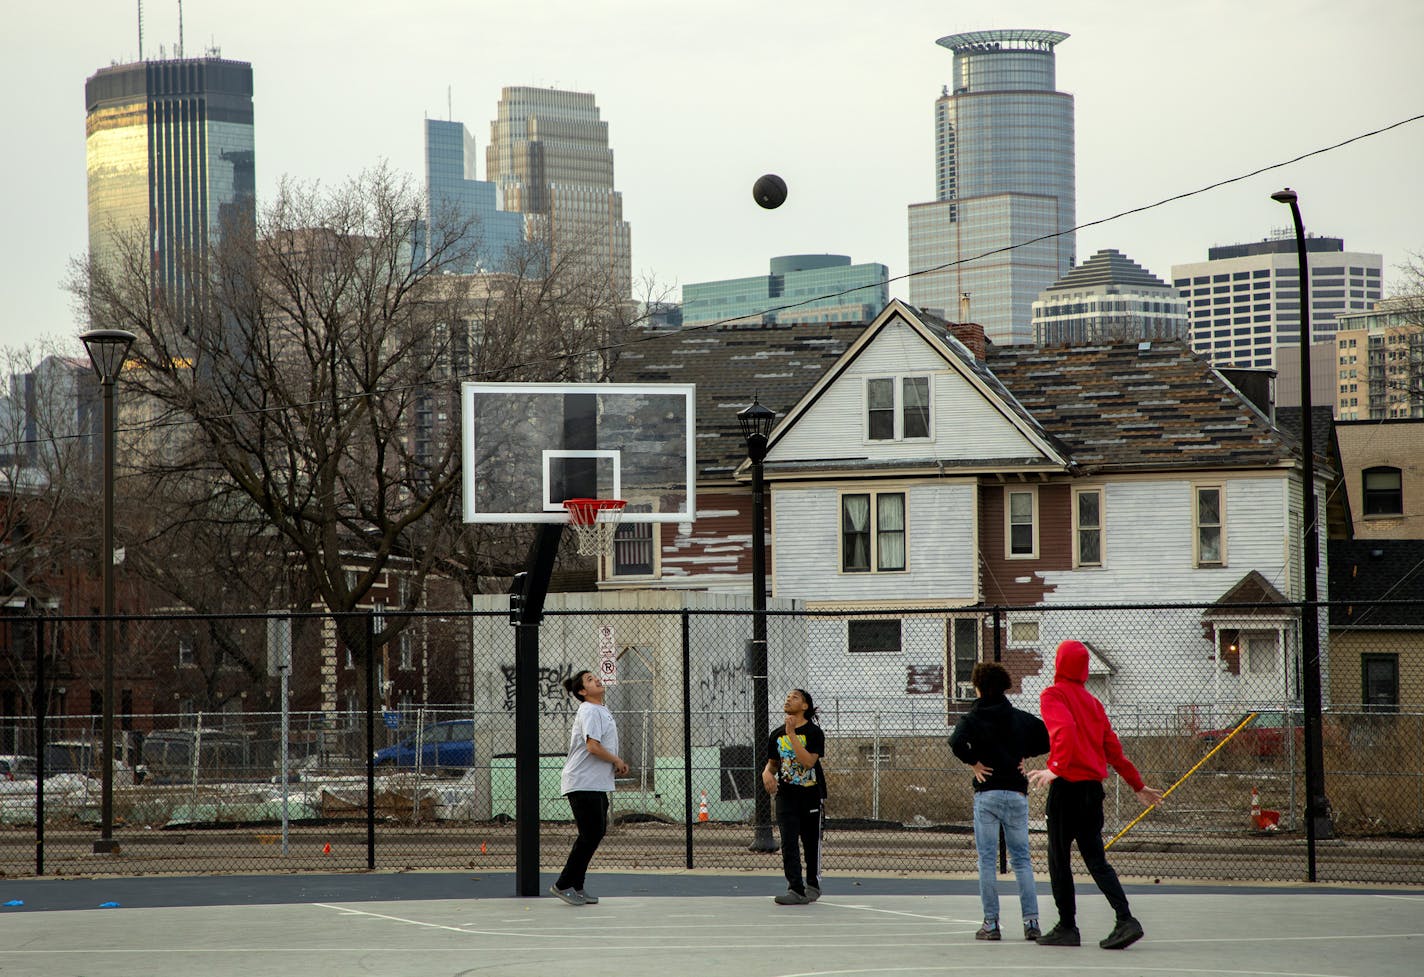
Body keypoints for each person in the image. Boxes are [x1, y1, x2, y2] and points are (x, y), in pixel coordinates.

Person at [1027, 640, 1165, 950]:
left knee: (1058, 858)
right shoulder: (1093, 704)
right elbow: (1113, 750)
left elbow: (1064, 729)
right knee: (1096, 860)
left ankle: (1067, 926)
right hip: (1092, 791)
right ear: (1085, 669)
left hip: (1067, 790)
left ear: (1059, 664)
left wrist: (1056, 768)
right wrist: (1137, 785)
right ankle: (1125, 918)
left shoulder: (1053, 695)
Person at [949, 661, 1049, 942]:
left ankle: (991, 924)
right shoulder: (1017, 717)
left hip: (988, 792)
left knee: (987, 860)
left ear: (978, 688)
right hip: (1016, 792)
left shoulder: (972, 718)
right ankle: (1031, 922)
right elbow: (1046, 738)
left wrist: (974, 764)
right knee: (1022, 860)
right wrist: (1023, 754)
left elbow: (956, 742)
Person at [550, 669, 628, 906]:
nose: (597, 680)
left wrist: (613, 763)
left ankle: (577, 885)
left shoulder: (600, 710)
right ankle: (563, 884)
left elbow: (598, 747)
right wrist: (615, 760)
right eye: (590, 680)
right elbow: (592, 746)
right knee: (590, 835)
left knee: (595, 833)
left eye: (595, 677)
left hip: (594, 783)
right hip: (582, 782)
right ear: (582, 692)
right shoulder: (590, 710)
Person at [762, 688, 827, 905]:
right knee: (788, 842)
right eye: (788, 696)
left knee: (810, 843)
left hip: (809, 795)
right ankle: (796, 889)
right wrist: (766, 774)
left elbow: (809, 762)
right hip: (786, 796)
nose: (789, 699)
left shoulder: (813, 733)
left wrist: (792, 735)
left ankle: (812, 886)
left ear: (805, 706)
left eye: (795, 697)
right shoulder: (776, 735)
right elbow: (773, 764)